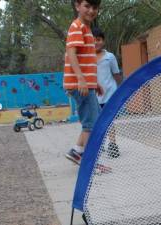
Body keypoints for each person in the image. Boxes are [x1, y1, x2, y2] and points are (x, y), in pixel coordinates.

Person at [64, 0, 102, 165]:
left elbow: (86, 60)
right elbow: (71, 54)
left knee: (90, 123)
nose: (91, 10)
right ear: (77, 6)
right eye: (87, 6)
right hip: (80, 85)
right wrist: (81, 79)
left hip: (86, 84)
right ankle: (90, 163)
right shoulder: (77, 27)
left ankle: (77, 152)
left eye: (94, 7)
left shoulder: (86, 29)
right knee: (93, 125)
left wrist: (95, 82)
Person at [92, 26, 122, 158]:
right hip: (94, 97)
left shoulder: (110, 57)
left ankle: (113, 145)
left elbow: (116, 74)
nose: (95, 42)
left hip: (110, 93)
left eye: (98, 39)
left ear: (103, 41)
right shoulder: (87, 59)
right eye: (92, 40)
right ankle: (99, 145)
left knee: (109, 121)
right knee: (96, 122)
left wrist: (121, 90)